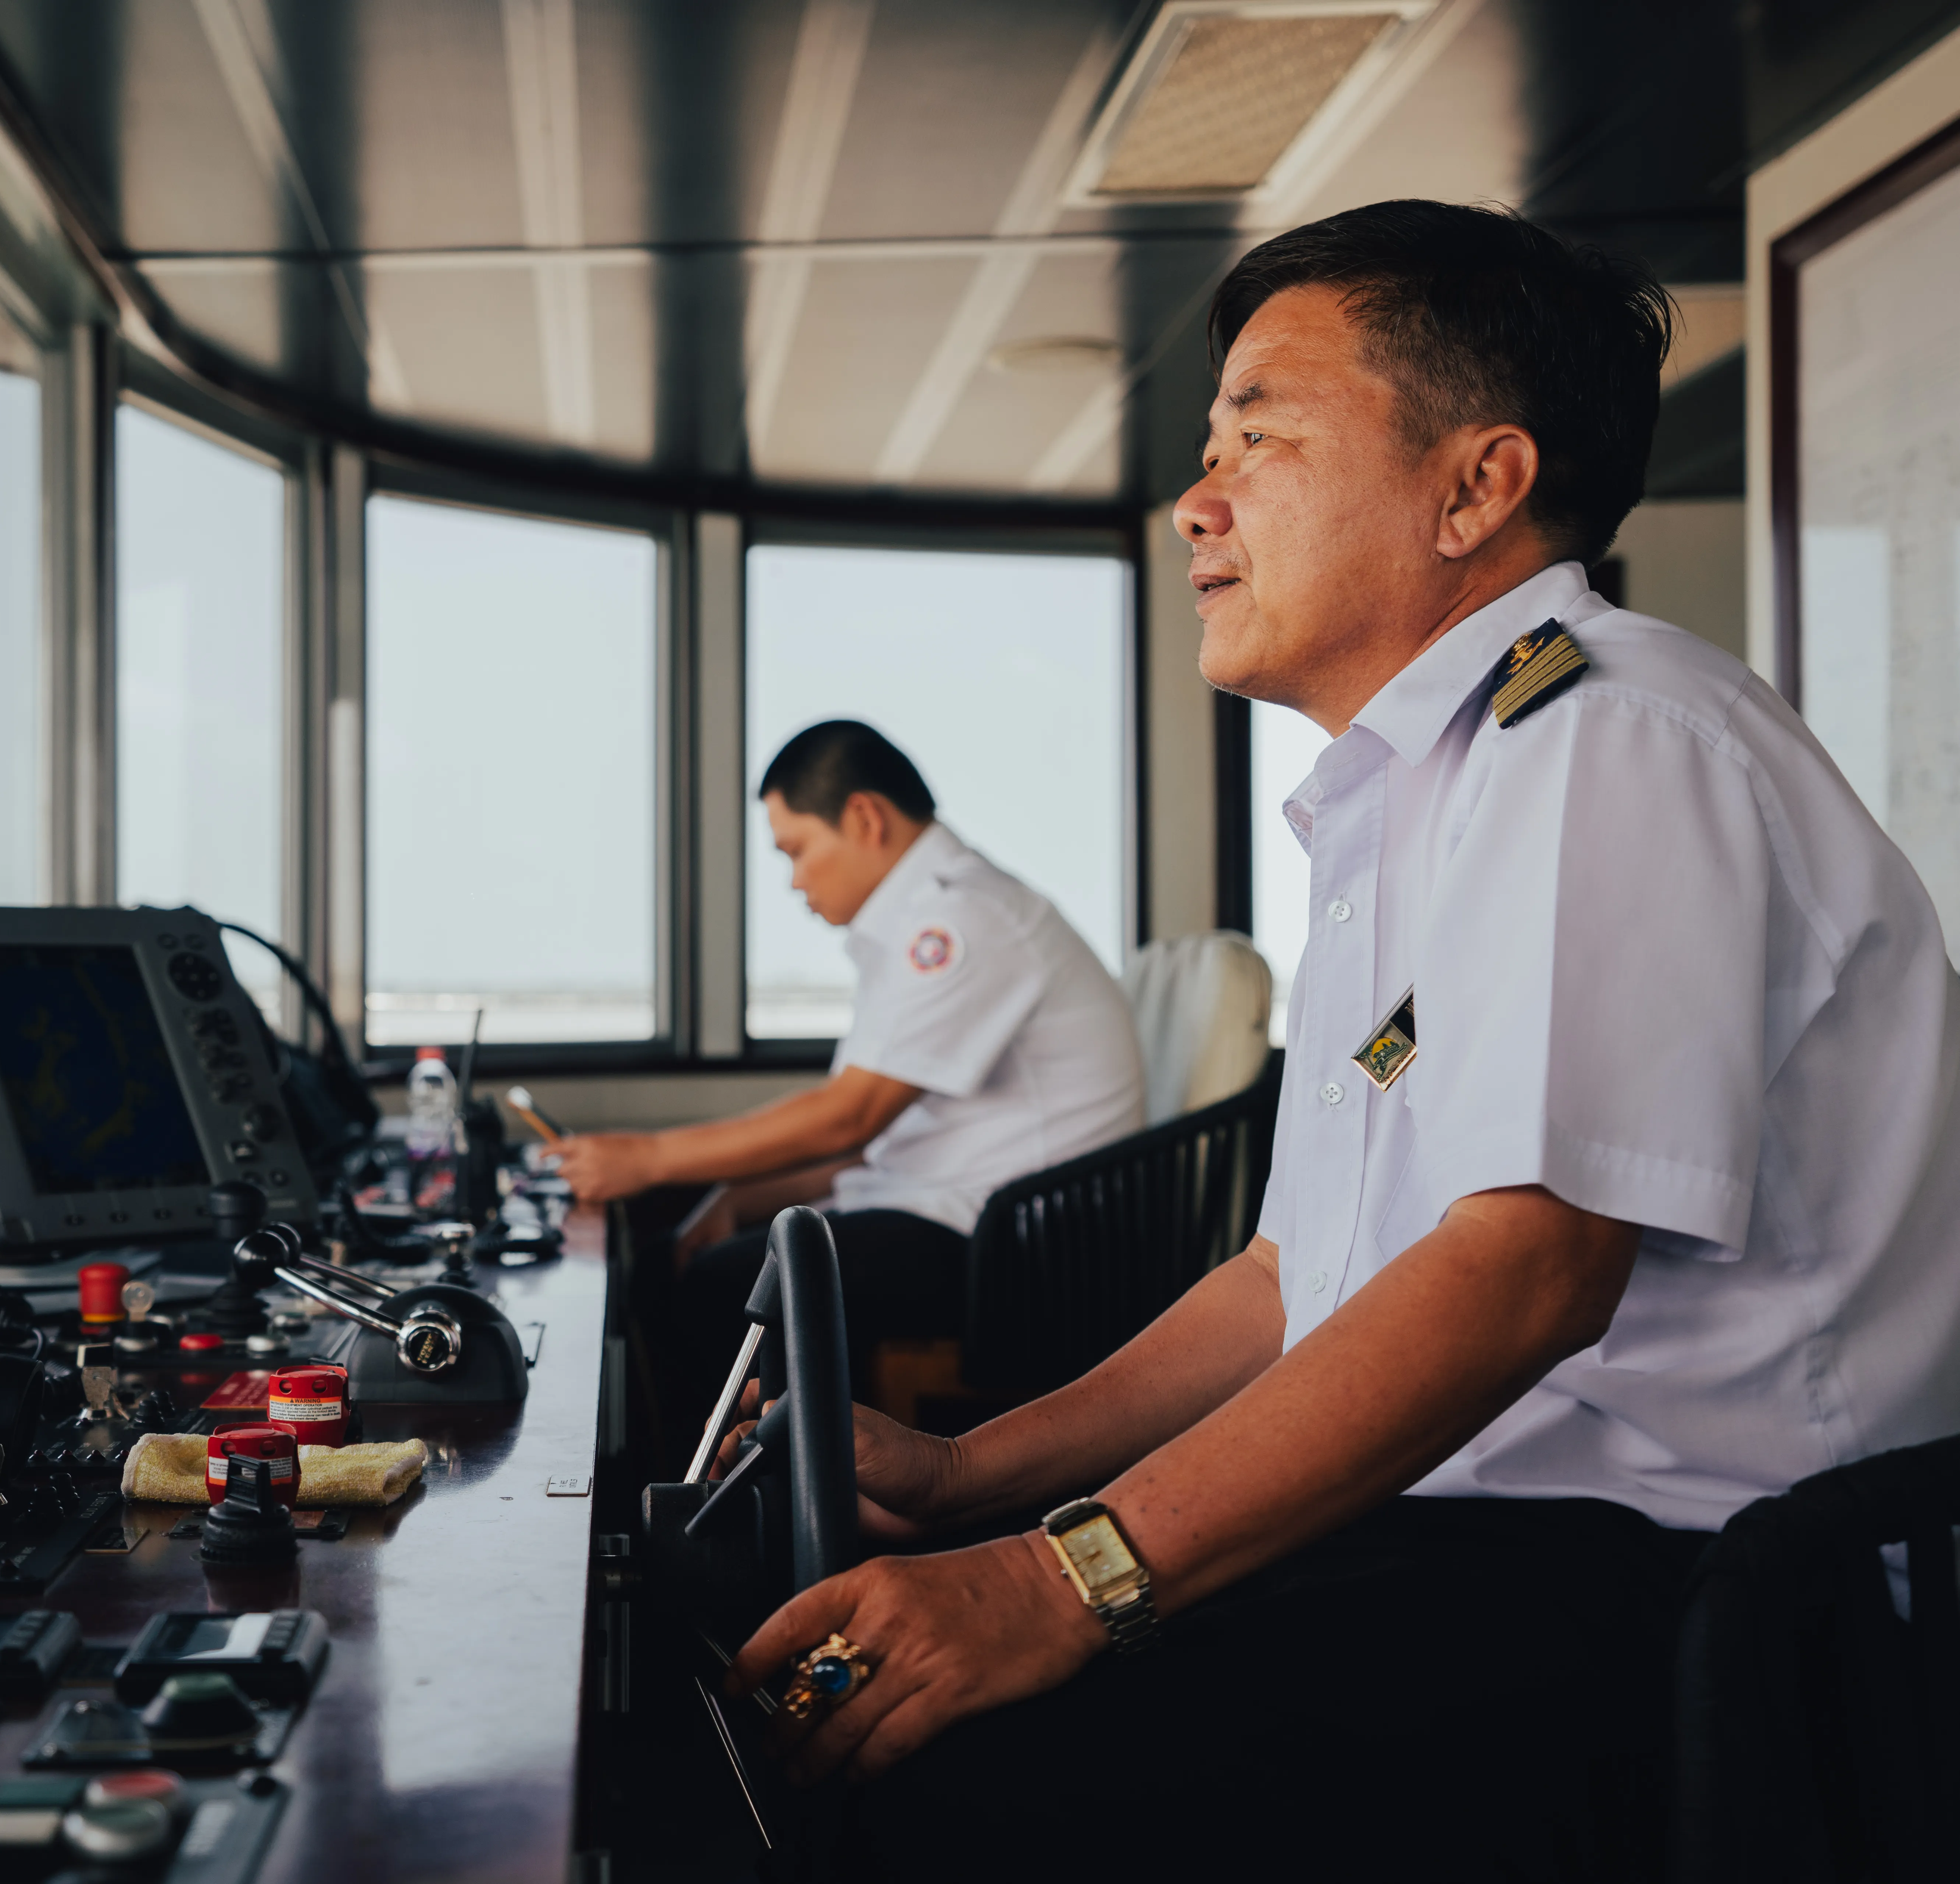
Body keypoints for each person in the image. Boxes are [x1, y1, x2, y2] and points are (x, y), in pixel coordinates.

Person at [720, 200, 1960, 1880]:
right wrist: (966, 1478)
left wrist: (1056, 1577)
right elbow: (1290, 1282)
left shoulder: (1608, 741)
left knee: (947, 1771)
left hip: (1721, 1597)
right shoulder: (1413, 805)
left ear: (1475, 486)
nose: (1194, 501)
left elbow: (1525, 1271)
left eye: (1257, 434)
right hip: (1503, 1537)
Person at [548, 721, 1143, 1400]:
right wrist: (739, 1198)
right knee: (668, 1268)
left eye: (797, 850)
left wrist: (646, 1161)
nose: (795, 881)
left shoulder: (959, 924)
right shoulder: (925, 924)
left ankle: (759, 1504)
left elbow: (849, 1119)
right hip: (949, 1213)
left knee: (717, 1288)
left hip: (1015, 1250)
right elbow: (878, 1140)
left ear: (863, 818)